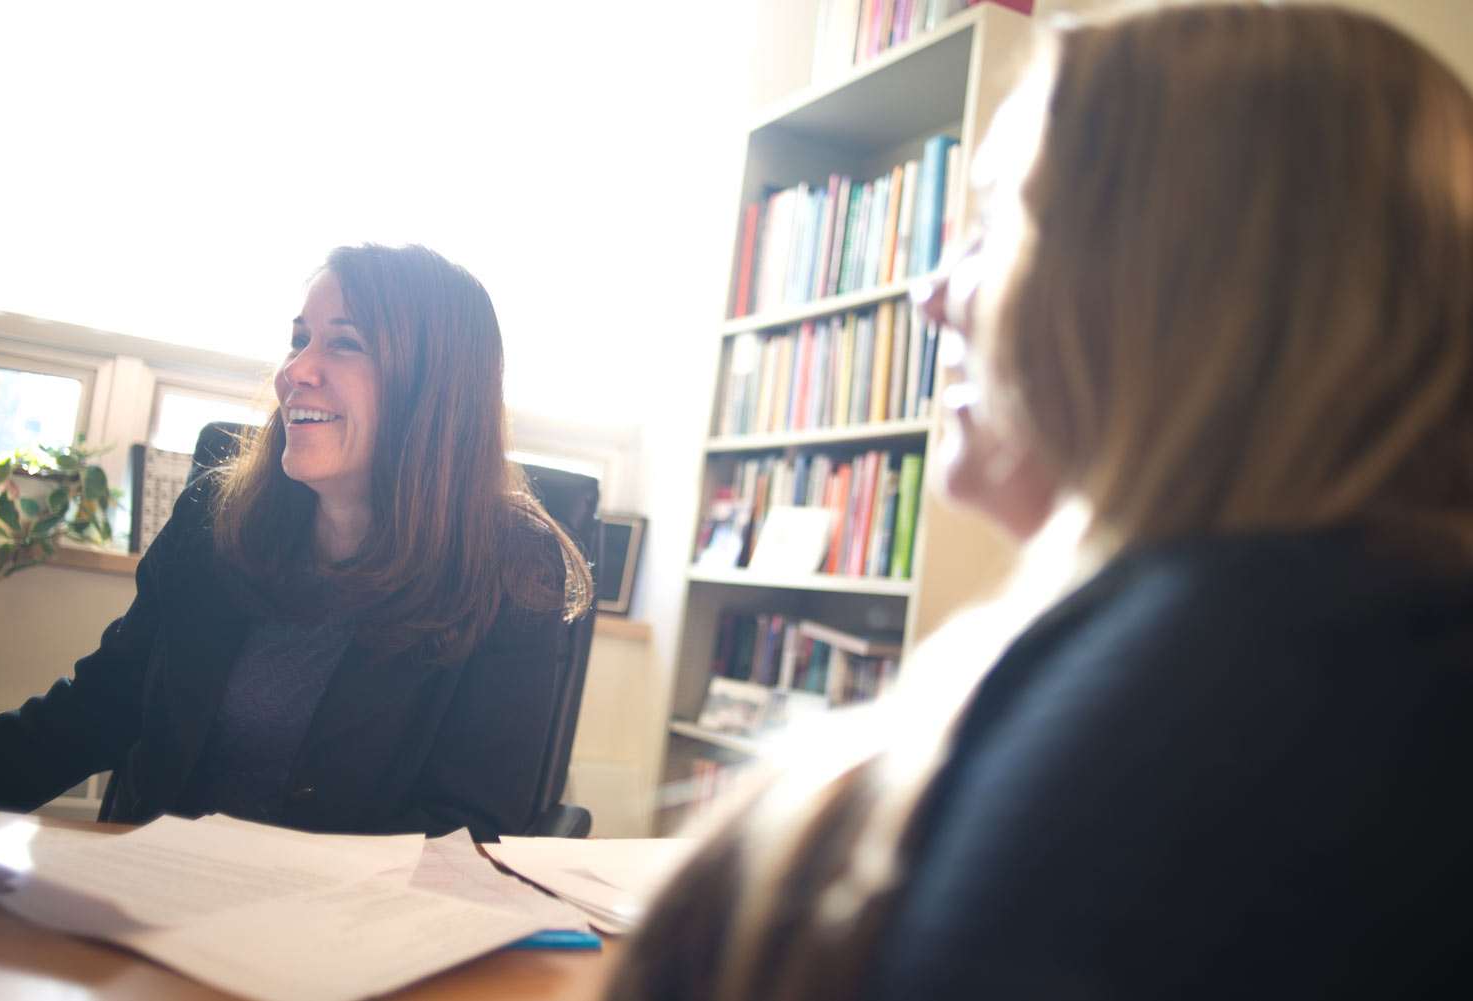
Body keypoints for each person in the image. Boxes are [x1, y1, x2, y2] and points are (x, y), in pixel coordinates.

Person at [606, 4, 1473, 999]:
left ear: (1182, 284)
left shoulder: (1234, 698)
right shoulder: (1188, 643)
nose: (932, 294)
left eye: (997, 221)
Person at [0, 243, 593, 839]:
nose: (295, 371)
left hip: (344, 929)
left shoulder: (508, 567)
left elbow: (469, 826)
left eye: (344, 344)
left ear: (434, 386)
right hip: (151, 898)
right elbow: (100, 706)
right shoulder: (214, 516)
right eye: (299, 340)